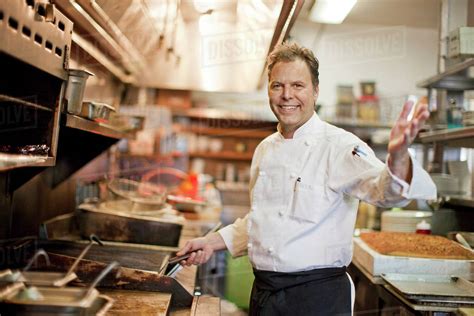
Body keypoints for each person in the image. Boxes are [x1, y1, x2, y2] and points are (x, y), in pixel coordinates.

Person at [176, 42, 436, 315]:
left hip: (316, 299)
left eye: (298, 86)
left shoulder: (339, 145)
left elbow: (385, 192)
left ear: (315, 91)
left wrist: (398, 157)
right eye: (278, 86)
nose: (287, 95)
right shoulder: (265, 149)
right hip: (265, 294)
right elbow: (264, 220)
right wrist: (211, 242)